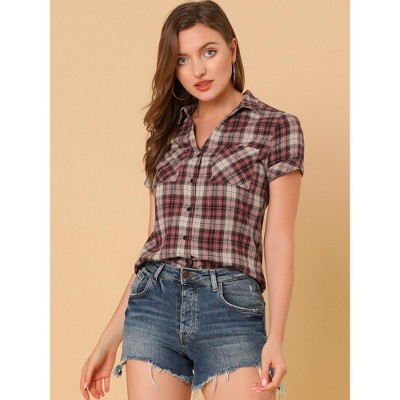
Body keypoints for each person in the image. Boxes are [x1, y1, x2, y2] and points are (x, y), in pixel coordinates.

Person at [80, 1, 304, 399]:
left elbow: (279, 240)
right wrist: (108, 340)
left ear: (232, 49)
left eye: (209, 52)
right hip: (153, 306)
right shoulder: (167, 134)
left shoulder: (276, 127)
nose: (198, 70)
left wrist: (276, 336)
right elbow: (154, 246)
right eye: (182, 59)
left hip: (229, 308)